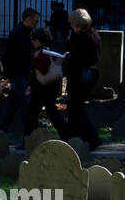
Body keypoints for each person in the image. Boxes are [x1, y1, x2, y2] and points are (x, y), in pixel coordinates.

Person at [62, 8, 102, 150]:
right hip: (89, 73)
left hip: (81, 75)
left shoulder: (83, 37)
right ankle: (75, 137)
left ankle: (91, 138)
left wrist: (68, 56)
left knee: (76, 107)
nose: (70, 26)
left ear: (77, 22)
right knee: (75, 107)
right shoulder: (93, 34)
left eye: (72, 23)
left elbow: (78, 57)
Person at [0, 8, 39, 132]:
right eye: (35, 21)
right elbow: (8, 55)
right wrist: (8, 72)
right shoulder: (17, 34)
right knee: (27, 104)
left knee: (12, 105)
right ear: (28, 19)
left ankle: (1, 130)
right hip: (17, 74)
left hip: (21, 73)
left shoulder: (24, 33)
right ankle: (29, 135)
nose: (36, 24)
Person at [25, 27, 69, 137]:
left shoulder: (42, 53)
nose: (32, 41)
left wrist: (35, 61)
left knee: (33, 113)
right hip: (46, 87)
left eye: (34, 39)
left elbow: (43, 69)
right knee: (50, 112)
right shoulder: (47, 51)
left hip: (42, 88)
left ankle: (29, 139)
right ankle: (66, 134)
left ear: (39, 40)